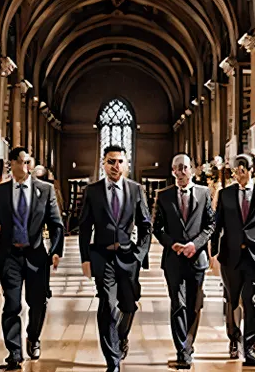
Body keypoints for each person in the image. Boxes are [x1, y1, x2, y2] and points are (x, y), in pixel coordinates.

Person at [0, 147, 64, 371]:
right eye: (21, 161)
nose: (26, 166)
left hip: (37, 256)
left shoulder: (45, 190)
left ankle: (33, 337)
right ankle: (14, 353)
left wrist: (55, 251)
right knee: (11, 304)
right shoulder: (0, 192)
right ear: (11, 164)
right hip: (9, 256)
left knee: (37, 303)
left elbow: (57, 225)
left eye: (28, 161)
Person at [78, 145, 152, 372]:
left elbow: (146, 225)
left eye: (120, 161)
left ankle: (120, 337)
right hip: (102, 256)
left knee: (129, 306)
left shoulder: (136, 190)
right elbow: (84, 227)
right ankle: (113, 361)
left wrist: (139, 255)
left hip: (129, 257)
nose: (116, 166)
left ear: (126, 164)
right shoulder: (93, 191)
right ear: (103, 163)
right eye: (111, 161)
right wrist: (85, 259)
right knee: (107, 306)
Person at [210, 153, 255, 367]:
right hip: (230, 258)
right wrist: (213, 252)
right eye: (236, 168)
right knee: (232, 301)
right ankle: (234, 338)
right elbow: (217, 226)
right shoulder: (225, 194)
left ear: (252, 170)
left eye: (243, 168)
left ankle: (250, 348)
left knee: (253, 302)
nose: (239, 172)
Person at [152, 154, 215, 369]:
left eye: (184, 168)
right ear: (172, 171)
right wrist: (173, 244)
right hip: (173, 259)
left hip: (197, 259)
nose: (180, 172)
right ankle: (182, 350)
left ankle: (189, 343)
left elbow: (210, 225)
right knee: (177, 304)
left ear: (192, 170)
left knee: (194, 305)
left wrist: (195, 245)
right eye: (176, 169)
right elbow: (157, 228)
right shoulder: (164, 195)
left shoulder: (205, 193)